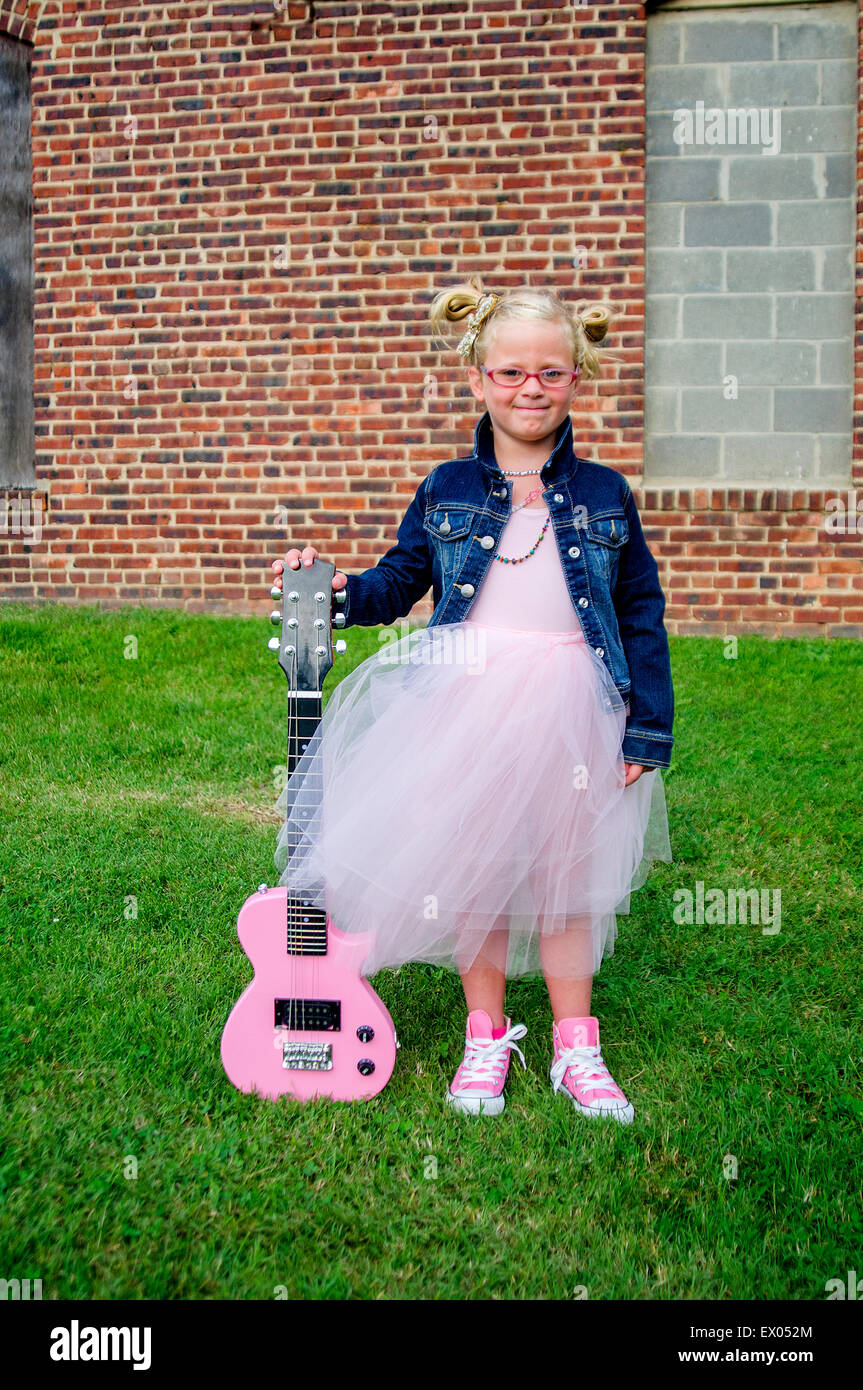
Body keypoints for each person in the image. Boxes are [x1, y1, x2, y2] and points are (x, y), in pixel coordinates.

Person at [270, 275, 674, 1124]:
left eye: (551, 373)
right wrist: (342, 588)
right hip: (467, 700)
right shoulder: (447, 487)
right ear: (477, 377)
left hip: (575, 703)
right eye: (511, 373)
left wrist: (648, 725)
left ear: (578, 378)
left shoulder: (604, 494)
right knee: (478, 871)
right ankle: (483, 1037)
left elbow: (639, 611)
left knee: (567, 877)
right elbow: (400, 579)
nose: (531, 389)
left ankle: (577, 1048)